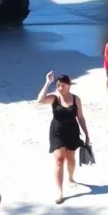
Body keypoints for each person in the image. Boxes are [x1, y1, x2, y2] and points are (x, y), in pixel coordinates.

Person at [37, 72, 91, 204]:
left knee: (71, 159)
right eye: (58, 85)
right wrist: (47, 83)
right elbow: (40, 100)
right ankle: (59, 191)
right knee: (60, 160)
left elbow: (81, 117)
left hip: (72, 131)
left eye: (63, 85)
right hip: (57, 132)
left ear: (69, 86)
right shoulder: (55, 98)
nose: (60, 88)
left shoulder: (76, 99)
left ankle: (70, 178)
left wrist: (86, 134)